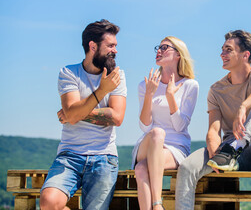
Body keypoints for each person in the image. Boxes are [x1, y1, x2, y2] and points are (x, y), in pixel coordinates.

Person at [175, 30, 251, 209]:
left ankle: (237, 145)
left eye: (228, 50)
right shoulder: (216, 90)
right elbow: (213, 130)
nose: (222, 54)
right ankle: (229, 152)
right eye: (222, 49)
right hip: (228, 153)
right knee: (187, 168)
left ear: (245, 55)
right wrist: (213, 152)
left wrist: (244, 106)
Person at [40, 19, 127, 210]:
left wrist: (76, 113)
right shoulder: (69, 73)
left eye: (116, 46)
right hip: (69, 156)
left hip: (104, 158)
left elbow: (117, 117)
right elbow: (71, 114)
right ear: (93, 46)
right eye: (110, 45)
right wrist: (102, 92)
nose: (115, 50)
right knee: (49, 203)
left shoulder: (117, 76)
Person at [132, 36, 199, 210]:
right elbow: (145, 126)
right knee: (156, 132)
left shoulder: (190, 85)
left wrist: (170, 97)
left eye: (164, 47)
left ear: (178, 54)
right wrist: (149, 95)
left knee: (140, 169)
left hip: (176, 147)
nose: (159, 51)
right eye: (158, 48)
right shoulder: (146, 85)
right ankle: (157, 204)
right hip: (148, 143)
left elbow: (180, 126)